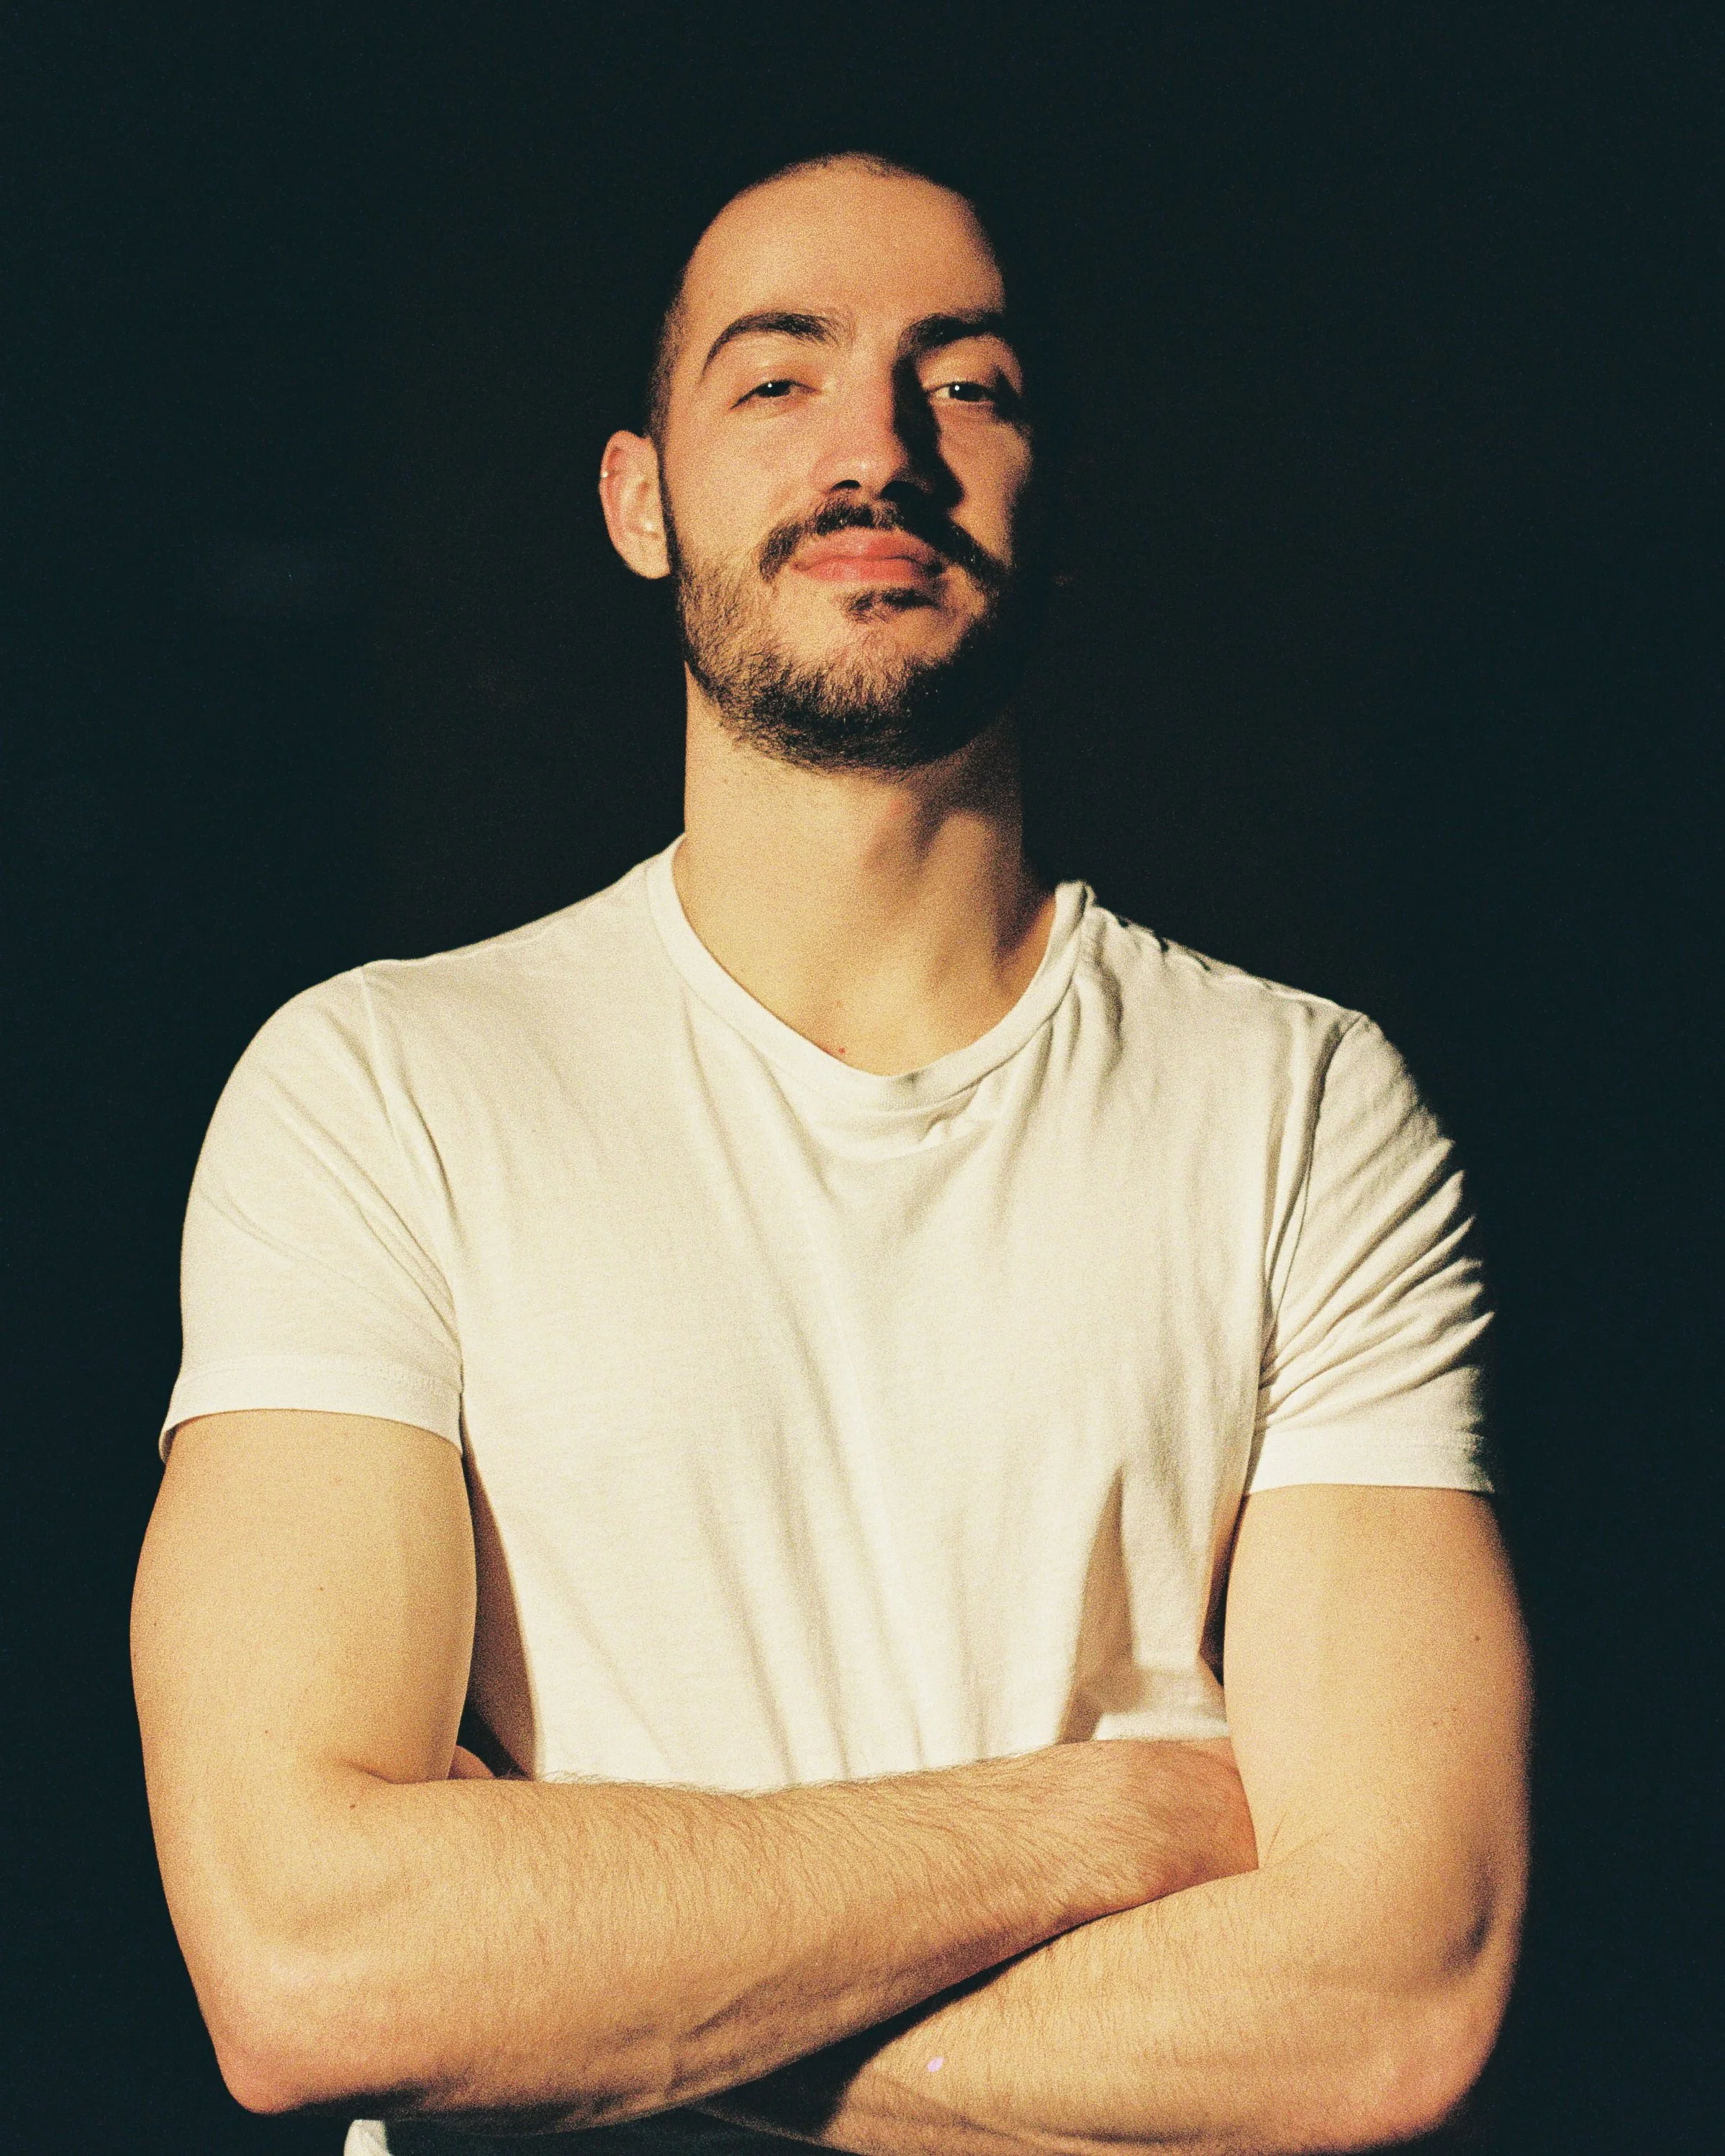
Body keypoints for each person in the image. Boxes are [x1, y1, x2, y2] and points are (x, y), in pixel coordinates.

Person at [132, 152, 1531, 2156]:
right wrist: (1103, 1822)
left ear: (1058, 493)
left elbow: (1386, 2001)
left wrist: (590, 2004)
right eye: (774, 381)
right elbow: (311, 1963)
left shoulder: (1296, 1106)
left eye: (964, 383)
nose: (875, 450)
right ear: (640, 498)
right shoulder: (381, 1087)